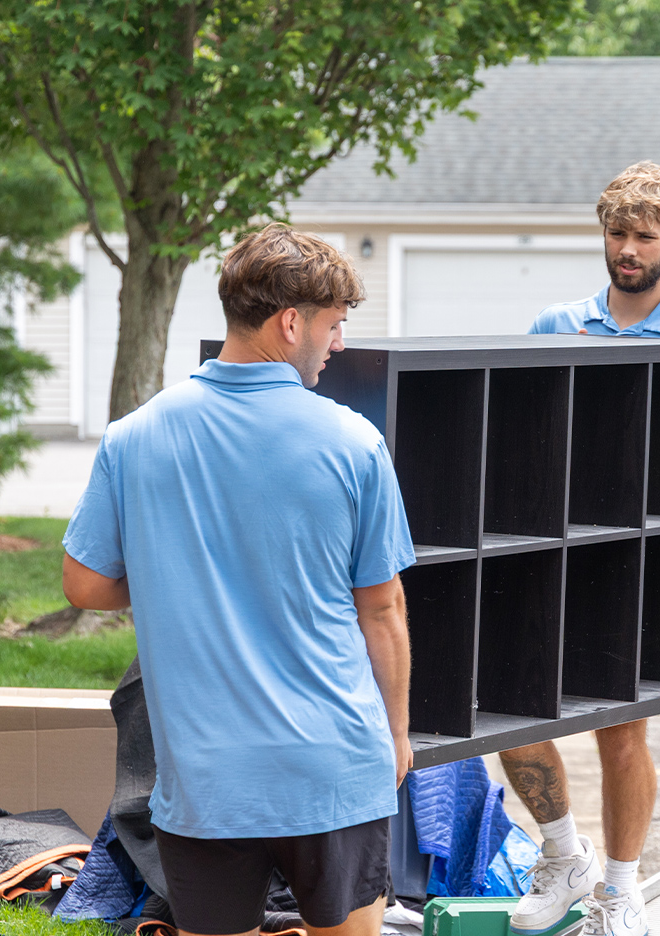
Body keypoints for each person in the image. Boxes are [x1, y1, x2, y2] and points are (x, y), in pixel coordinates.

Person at [62, 225, 415, 936]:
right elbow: (383, 610)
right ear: (292, 323)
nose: (337, 344)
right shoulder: (353, 442)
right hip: (334, 769)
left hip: (206, 781)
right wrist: (398, 735)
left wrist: (178, 566)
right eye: (333, 326)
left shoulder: (133, 436)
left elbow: (86, 587)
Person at [502, 162, 660, 936]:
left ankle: (619, 891)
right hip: (547, 552)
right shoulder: (556, 325)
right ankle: (562, 854)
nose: (627, 249)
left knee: (622, 729)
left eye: (643, 237)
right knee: (508, 711)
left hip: (641, 563)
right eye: (617, 234)